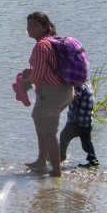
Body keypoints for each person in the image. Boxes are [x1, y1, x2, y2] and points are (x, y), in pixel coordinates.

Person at [20, 11, 74, 177]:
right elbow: (48, 68)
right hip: (66, 90)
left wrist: (25, 83)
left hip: (52, 93)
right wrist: (31, 72)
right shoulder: (53, 41)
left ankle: (56, 172)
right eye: (29, 25)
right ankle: (41, 161)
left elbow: (39, 75)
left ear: (45, 26)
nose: (30, 29)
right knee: (39, 119)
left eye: (35, 25)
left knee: (49, 132)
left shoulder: (41, 45)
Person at [59, 81, 100, 168]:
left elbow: (75, 97)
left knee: (64, 137)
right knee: (86, 142)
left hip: (76, 121)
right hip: (86, 121)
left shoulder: (78, 85)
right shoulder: (88, 83)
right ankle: (93, 160)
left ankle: (61, 158)